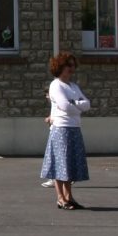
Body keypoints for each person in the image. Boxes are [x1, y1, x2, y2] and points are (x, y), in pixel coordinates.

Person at [39, 52, 91, 210]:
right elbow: (64, 106)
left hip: (74, 128)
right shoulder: (56, 85)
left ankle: (69, 197)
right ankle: (61, 198)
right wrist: (77, 106)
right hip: (61, 129)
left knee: (69, 164)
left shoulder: (73, 86)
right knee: (60, 165)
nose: (72, 68)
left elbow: (87, 104)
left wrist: (74, 104)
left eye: (73, 65)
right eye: (69, 65)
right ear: (60, 67)